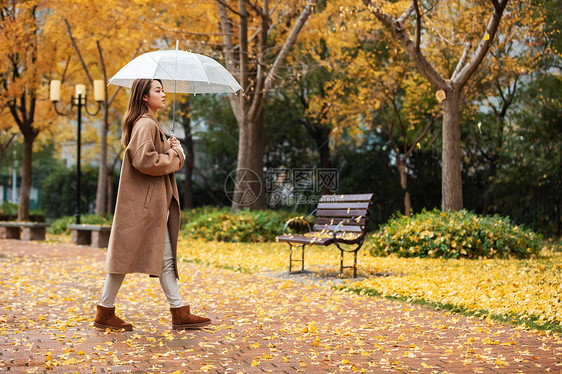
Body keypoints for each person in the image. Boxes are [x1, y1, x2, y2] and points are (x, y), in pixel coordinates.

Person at [93, 78, 211, 331]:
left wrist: (168, 147)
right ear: (144, 96)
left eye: (163, 89)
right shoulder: (146, 124)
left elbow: (148, 155)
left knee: (144, 259)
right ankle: (176, 312)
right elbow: (145, 161)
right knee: (129, 260)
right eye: (158, 90)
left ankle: (109, 311)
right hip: (146, 207)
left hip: (149, 205)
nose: (164, 94)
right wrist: (177, 155)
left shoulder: (149, 123)